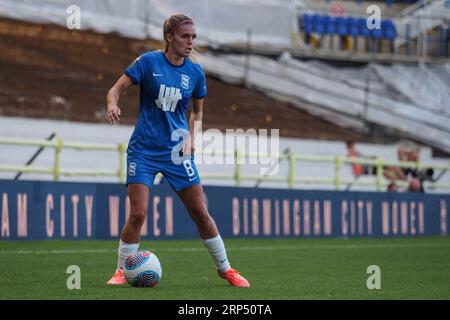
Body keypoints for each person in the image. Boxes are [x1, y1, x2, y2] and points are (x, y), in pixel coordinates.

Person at [104, 14, 249, 288]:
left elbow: (198, 112)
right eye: (185, 36)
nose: (191, 42)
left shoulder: (195, 72)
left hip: (177, 153)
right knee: (138, 213)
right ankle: (122, 270)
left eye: (194, 37)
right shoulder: (148, 62)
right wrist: (112, 105)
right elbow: (115, 90)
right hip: (143, 151)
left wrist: (192, 137)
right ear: (169, 37)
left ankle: (225, 269)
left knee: (200, 212)